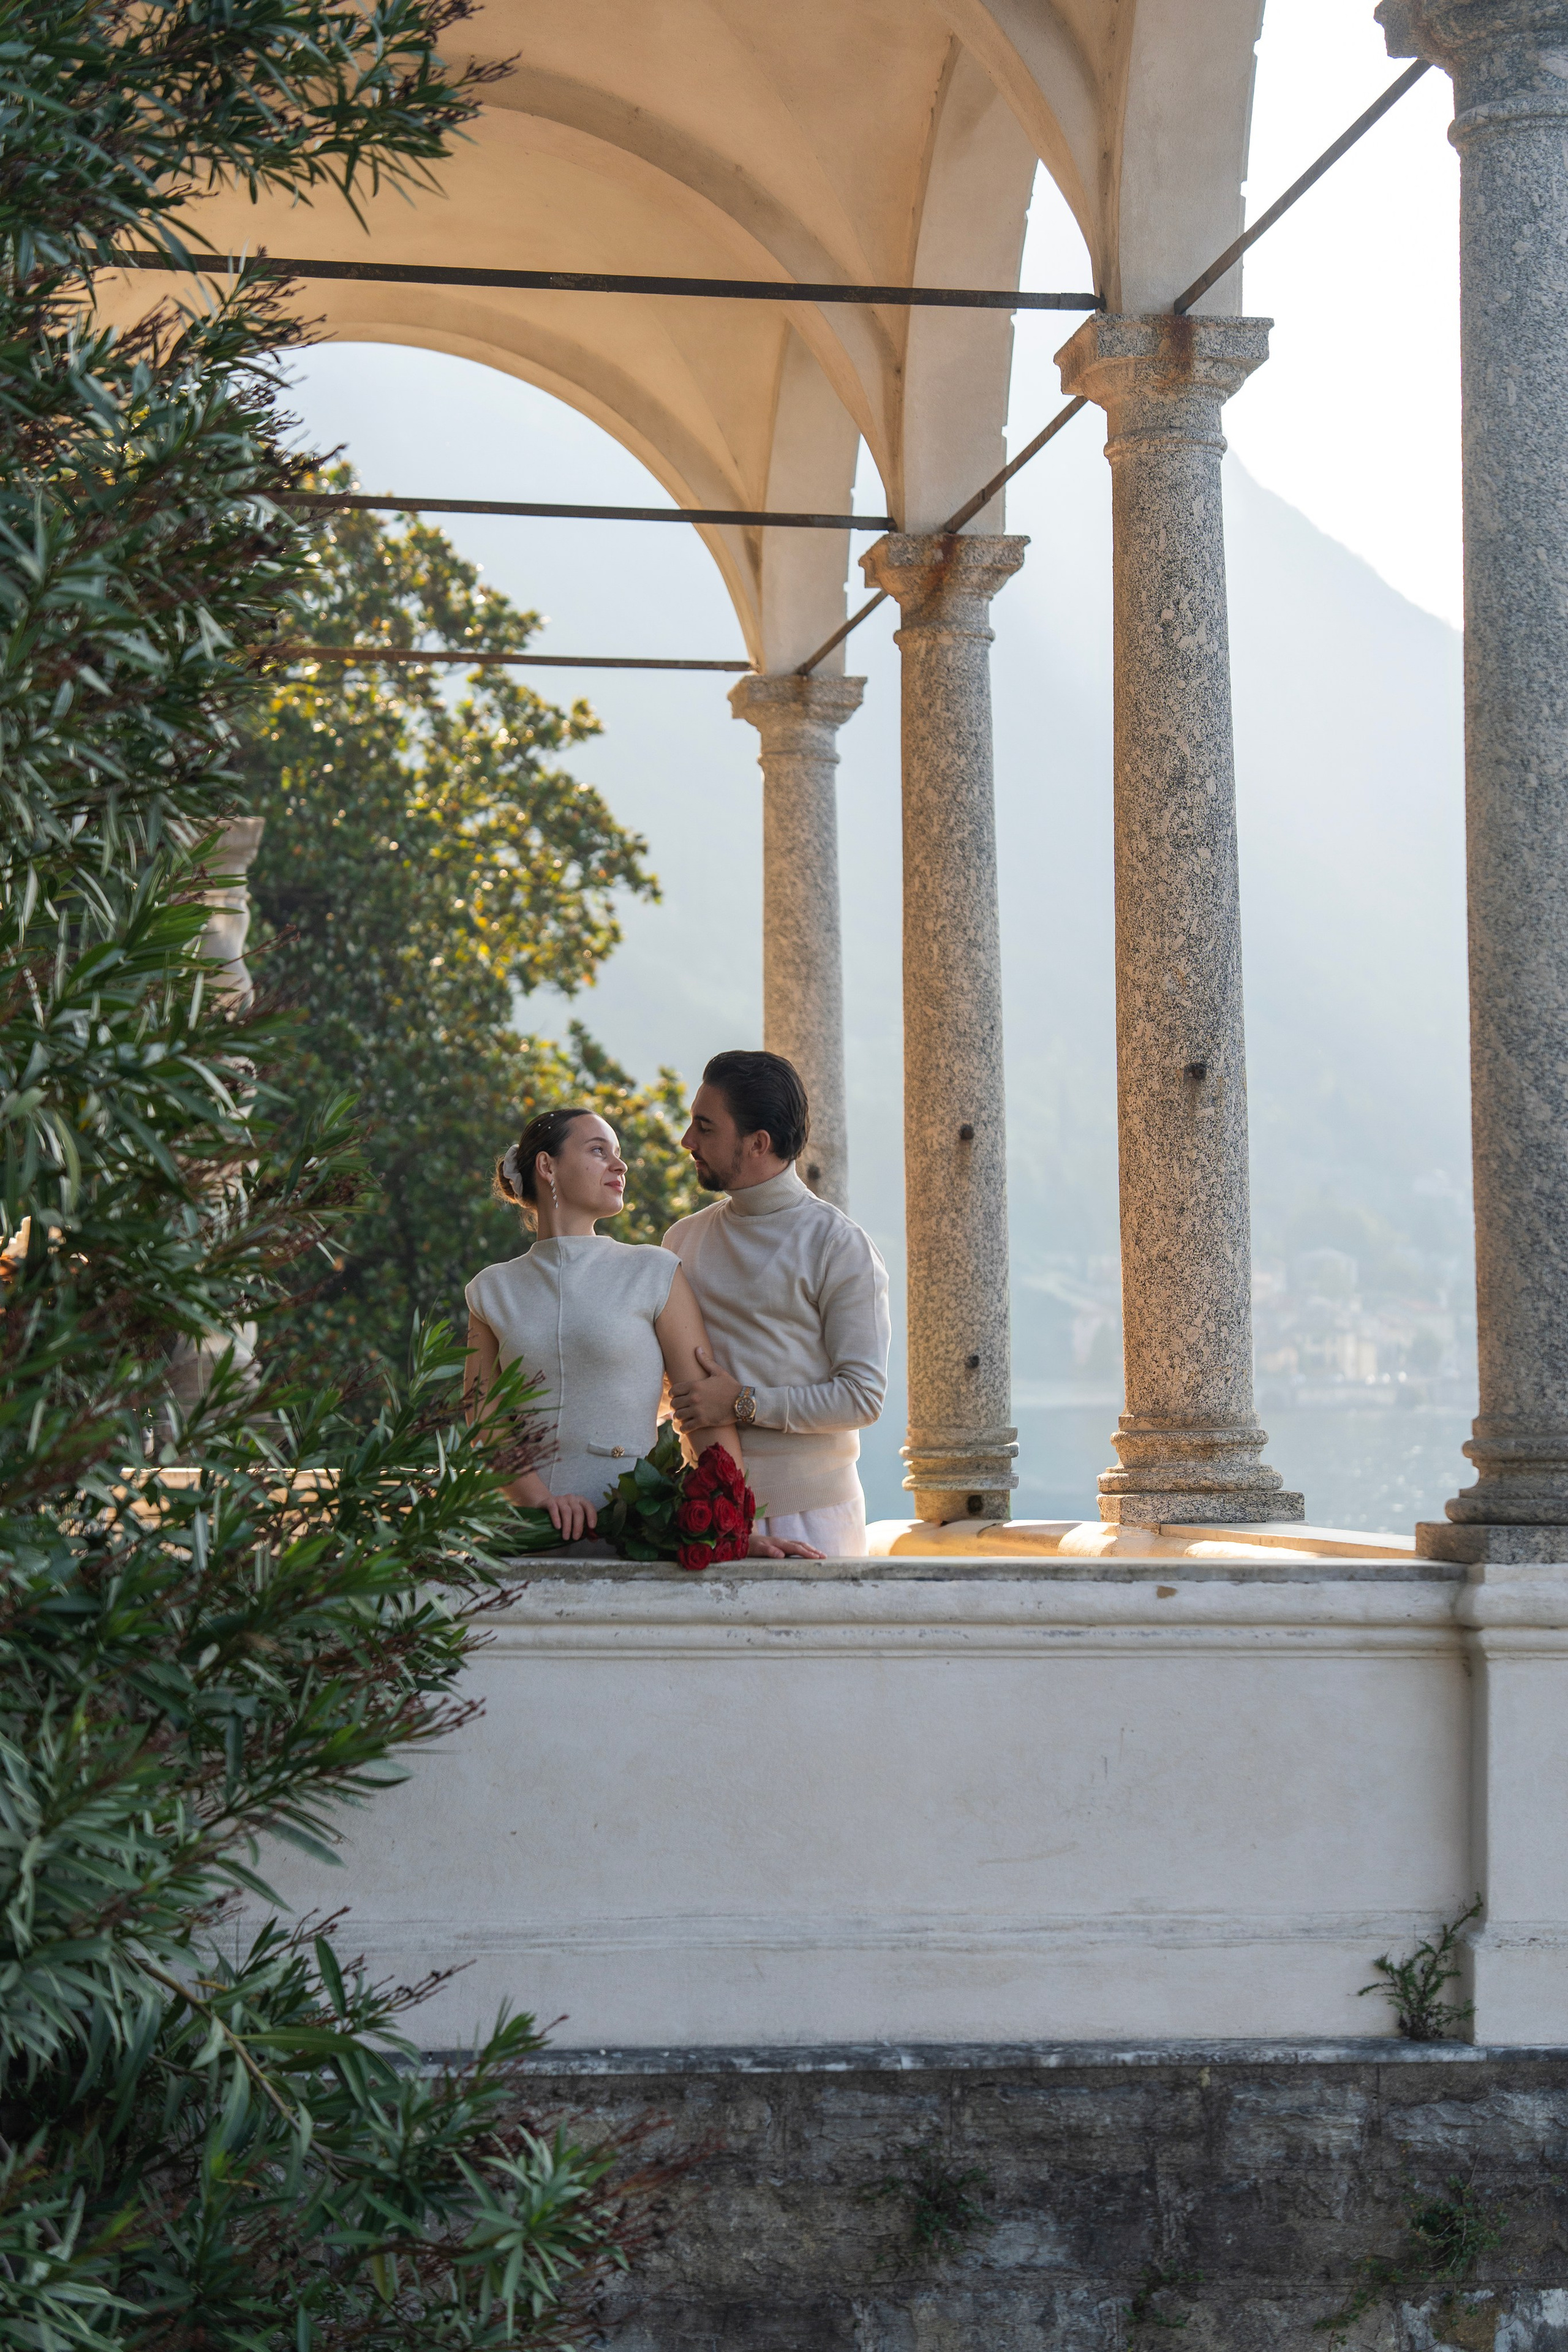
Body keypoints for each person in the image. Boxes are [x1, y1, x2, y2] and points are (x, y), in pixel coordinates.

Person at [464, 1104, 821, 1558]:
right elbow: (484, 1420)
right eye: (598, 1151)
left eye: (617, 1153)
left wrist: (729, 1527)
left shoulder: (654, 1271)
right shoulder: (490, 1290)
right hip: (525, 1537)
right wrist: (540, 1502)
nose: (620, 1165)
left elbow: (702, 1409)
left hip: (635, 1537)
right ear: (547, 1166)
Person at [663, 1049, 891, 1559]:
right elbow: (668, 1385)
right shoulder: (681, 1240)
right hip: (703, 1517)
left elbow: (862, 1398)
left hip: (816, 1521)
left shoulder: (838, 1244)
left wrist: (743, 1402)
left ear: (758, 1143)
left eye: (705, 1127)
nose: (687, 1141)